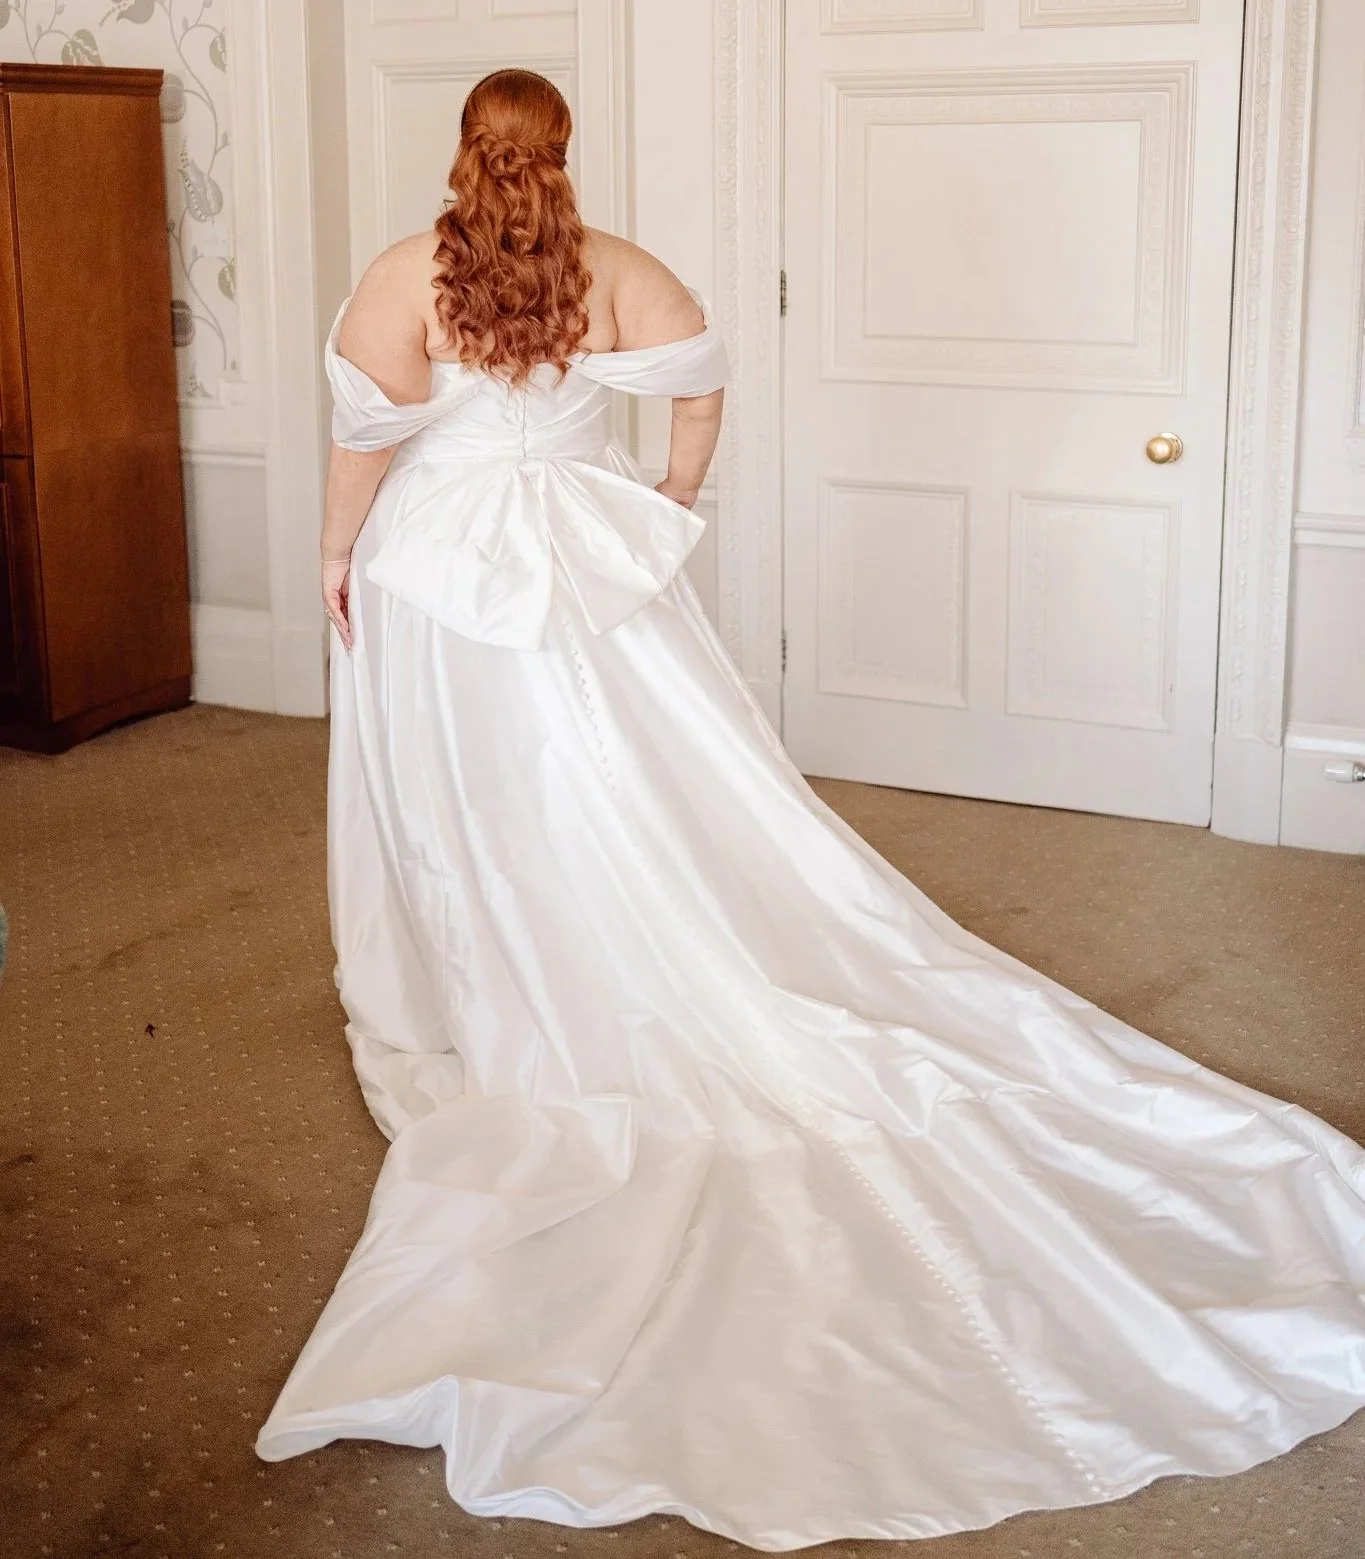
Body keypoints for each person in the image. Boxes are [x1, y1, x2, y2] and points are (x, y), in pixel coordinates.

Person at [255, 67, 1365, 1550]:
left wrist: (338, 554)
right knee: (642, 772)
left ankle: (516, 968)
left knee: (478, 793)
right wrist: (669, 499)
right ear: (564, 153)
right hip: (586, 557)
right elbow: (704, 373)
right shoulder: (613, 267)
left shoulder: (406, 271)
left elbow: (365, 442)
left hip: (443, 568)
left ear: (462, 149)